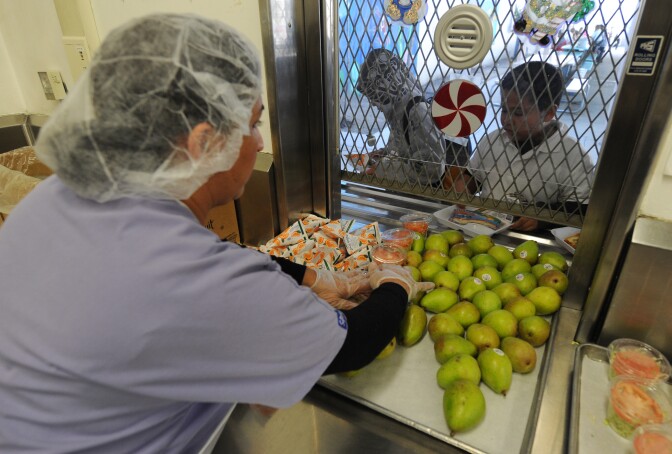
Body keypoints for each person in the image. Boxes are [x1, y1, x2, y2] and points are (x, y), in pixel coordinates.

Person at [0, 14, 433, 453]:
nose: (261, 144)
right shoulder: (193, 281)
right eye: (254, 123)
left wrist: (309, 277)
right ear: (204, 142)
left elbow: (204, 261)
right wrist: (395, 285)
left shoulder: (54, 196)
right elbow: (353, 343)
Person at [445, 61, 594, 232]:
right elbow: (473, 176)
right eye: (504, 110)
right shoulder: (493, 141)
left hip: (532, 240)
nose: (506, 120)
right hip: (485, 228)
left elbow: (579, 207)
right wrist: (463, 187)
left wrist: (542, 218)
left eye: (518, 113)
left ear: (549, 113)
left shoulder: (573, 156)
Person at [355, 48, 461, 187]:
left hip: (419, 196)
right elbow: (404, 145)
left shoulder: (417, 112)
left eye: (375, 96)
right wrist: (383, 153)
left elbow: (430, 169)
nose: (373, 104)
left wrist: (381, 170)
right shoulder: (398, 109)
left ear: (388, 85)